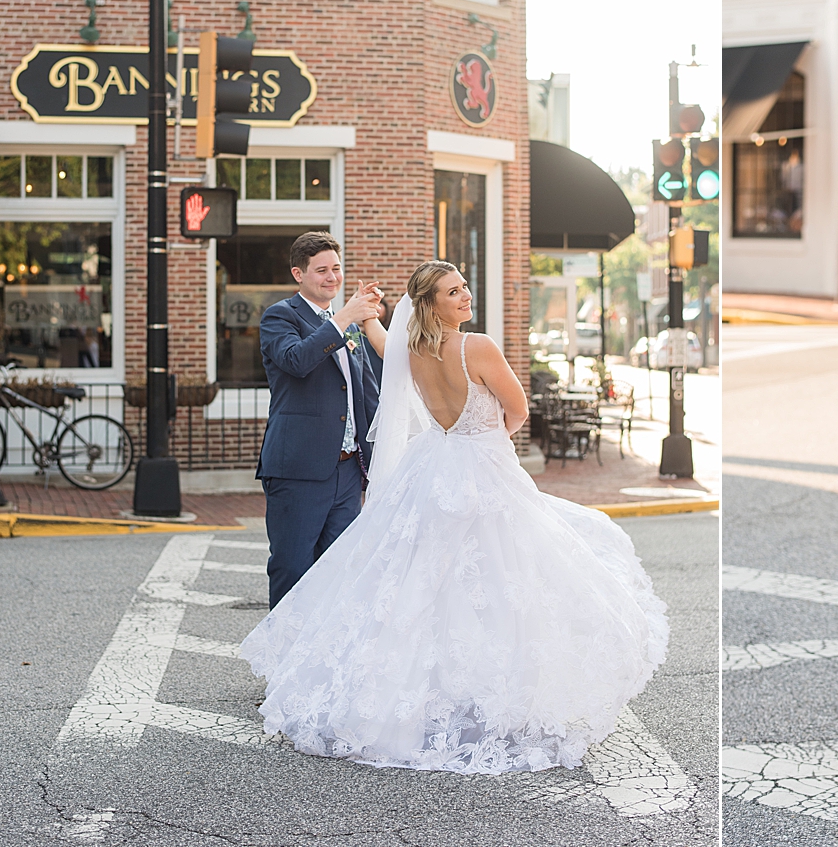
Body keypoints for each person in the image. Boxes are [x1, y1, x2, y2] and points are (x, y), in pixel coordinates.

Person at [240, 260, 667, 775]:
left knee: (428, 582)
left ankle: (425, 693)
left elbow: (381, 341)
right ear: (432, 304)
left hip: (434, 464)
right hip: (480, 464)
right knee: (500, 578)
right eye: (453, 291)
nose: (466, 296)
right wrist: (487, 438)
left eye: (465, 286)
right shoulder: (477, 346)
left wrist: (369, 314)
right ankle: (491, 692)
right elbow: (517, 410)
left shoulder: (411, 351)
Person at [256, 232, 384, 608]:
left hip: (346, 472)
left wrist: (378, 460)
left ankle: (324, 664)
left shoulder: (350, 326)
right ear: (299, 274)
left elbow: (367, 396)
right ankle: (281, 662)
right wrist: (344, 317)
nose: (332, 278)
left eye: (337, 269)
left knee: (341, 572)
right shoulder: (280, 316)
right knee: (293, 569)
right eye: (322, 271)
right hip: (298, 470)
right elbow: (296, 360)